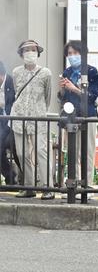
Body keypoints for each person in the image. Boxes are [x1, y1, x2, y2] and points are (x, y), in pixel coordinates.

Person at [11, 40, 54, 199]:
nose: (30, 53)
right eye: (26, 50)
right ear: (21, 54)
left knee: (41, 152)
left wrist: (40, 109)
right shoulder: (16, 72)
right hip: (19, 117)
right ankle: (29, 187)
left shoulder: (46, 73)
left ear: (38, 53)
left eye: (33, 50)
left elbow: (47, 96)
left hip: (39, 117)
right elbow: (17, 92)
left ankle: (48, 187)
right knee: (22, 154)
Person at [59, 40, 98, 198]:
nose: (72, 56)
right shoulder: (67, 72)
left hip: (88, 115)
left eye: (75, 53)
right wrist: (62, 89)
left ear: (83, 54)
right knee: (72, 152)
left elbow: (92, 95)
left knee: (87, 151)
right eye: (69, 53)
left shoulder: (91, 71)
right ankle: (73, 185)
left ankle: (87, 186)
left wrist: (74, 89)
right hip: (72, 116)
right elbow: (63, 97)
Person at [0, 61, 17, 185]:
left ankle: (24, 179)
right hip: (2, 126)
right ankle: (10, 177)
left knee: (18, 152)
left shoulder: (12, 82)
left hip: (14, 125)